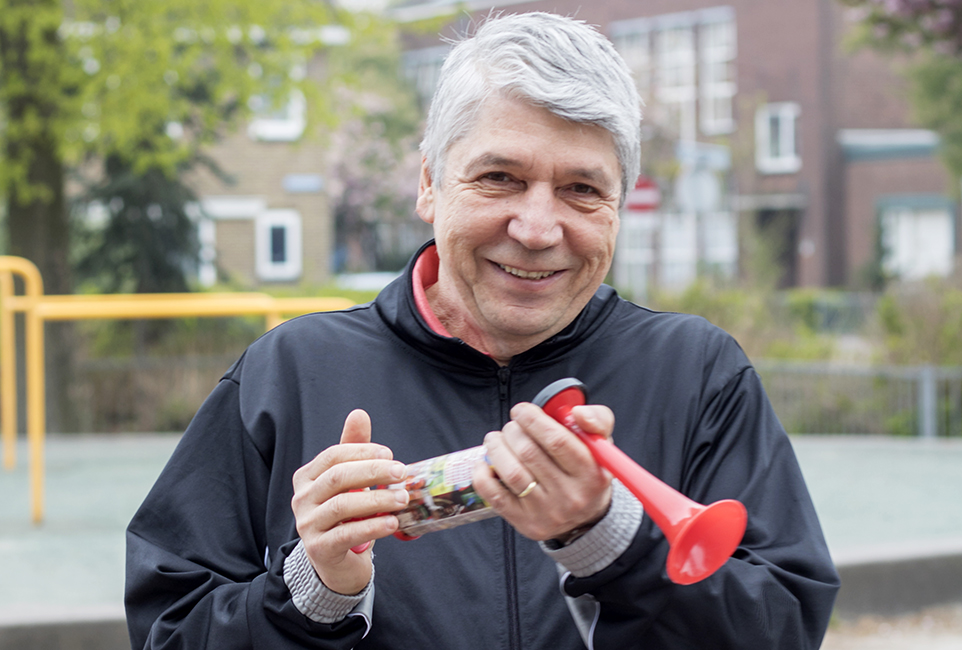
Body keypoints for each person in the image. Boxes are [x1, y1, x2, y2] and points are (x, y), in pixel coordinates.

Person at [125, 12, 839, 650]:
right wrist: (314, 592)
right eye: (499, 177)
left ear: (618, 205)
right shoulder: (288, 370)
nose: (536, 229)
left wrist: (611, 543)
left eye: (582, 189)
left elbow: (782, 626)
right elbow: (170, 630)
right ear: (430, 182)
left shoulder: (699, 371)